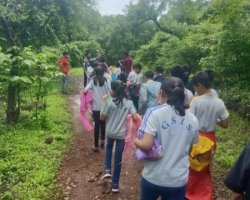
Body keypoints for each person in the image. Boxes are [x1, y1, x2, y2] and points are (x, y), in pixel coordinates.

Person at [135, 77, 199, 200]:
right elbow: (189, 151)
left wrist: (135, 140)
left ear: (161, 93)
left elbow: (147, 145)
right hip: (178, 180)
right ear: (183, 94)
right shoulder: (193, 119)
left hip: (154, 176)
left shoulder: (154, 113)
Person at [185, 71, 229, 200]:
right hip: (210, 140)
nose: (195, 90)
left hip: (195, 138)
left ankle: (189, 193)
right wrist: (215, 120)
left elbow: (189, 119)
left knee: (191, 167)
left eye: (195, 87)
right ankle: (204, 195)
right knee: (204, 169)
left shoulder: (196, 100)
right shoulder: (219, 102)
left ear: (200, 85)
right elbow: (225, 124)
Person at [100, 80, 138, 193]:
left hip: (110, 132)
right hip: (122, 134)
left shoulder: (110, 101)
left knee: (108, 148)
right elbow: (135, 117)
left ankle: (107, 170)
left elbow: (102, 117)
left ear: (114, 90)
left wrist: (103, 105)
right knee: (118, 159)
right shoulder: (129, 102)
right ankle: (115, 184)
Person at [84, 66, 111, 152]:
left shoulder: (93, 80)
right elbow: (110, 92)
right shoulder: (107, 81)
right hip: (105, 106)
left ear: (95, 72)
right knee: (103, 124)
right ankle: (102, 141)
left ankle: (96, 146)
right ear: (103, 72)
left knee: (97, 125)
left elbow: (85, 90)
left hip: (95, 107)